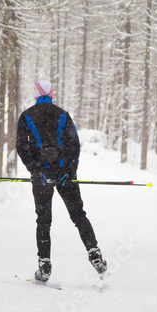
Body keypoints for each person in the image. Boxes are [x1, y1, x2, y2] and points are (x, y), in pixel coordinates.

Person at [16, 80, 107, 282]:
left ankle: (44, 265)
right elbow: (74, 145)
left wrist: (35, 169)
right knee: (78, 215)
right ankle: (95, 254)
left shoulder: (26, 116)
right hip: (65, 175)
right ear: (51, 94)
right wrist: (68, 172)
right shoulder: (63, 114)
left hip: (41, 177)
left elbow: (22, 147)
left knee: (43, 220)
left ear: (36, 94)